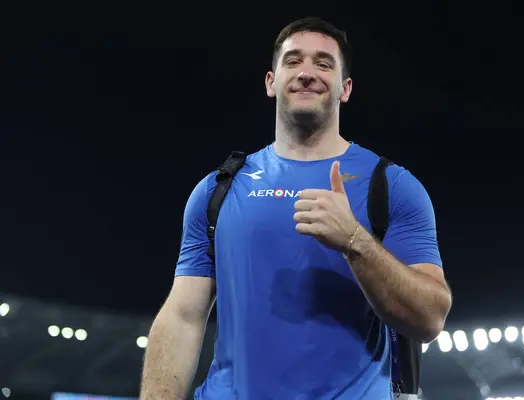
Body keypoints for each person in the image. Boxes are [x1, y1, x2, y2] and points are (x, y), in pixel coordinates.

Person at [140, 17, 452, 400]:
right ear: (271, 82)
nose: (307, 73)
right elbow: (184, 317)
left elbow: (430, 319)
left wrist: (356, 241)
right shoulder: (218, 191)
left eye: (324, 64)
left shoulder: (390, 186)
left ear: (345, 88)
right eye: (293, 61)